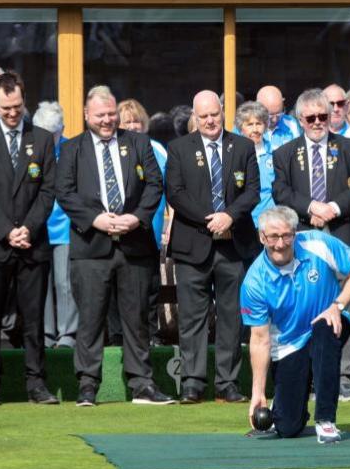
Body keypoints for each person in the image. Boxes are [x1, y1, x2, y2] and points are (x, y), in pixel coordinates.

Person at [57, 85, 174, 406]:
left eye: (111, 114)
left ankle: (142, 385)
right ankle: (87, 386)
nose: (107, 120)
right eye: (100, 115)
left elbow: (154, 184)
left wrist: (137, 218)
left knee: (136, 319)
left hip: (134, 246)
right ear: (86, 115)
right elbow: (64, 191)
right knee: (91, 319)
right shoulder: (72, 149)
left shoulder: (138, 142)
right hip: (91, 247)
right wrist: (95, 220)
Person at [272, 88, 350, 402]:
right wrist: (311, 207)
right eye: (311, 117)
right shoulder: (285, 153)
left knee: (347, 305)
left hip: (343, 235)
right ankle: (309, 377)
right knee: (306, 306)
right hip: (304, 241)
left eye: (323, 116)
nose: (318, 122)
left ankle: (345, 376)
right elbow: (281, 192)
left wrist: (333, 208)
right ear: (300, 119)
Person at [242, 206, 350, 443]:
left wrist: (337, 305)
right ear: (262, 237)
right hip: (289, 344)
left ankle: (325, 420)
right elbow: (260, 340)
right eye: (273, 237)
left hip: (329, 322)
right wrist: (257, 393)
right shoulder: (254, 282)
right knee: (287, 427)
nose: (280, 244)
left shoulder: (319, 244)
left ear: (295, 232)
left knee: (324, 329)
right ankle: (285, 407)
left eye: (286, 236)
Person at [0, 70, 58, 405]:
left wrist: (28, 230)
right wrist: (8, 231)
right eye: (6, 107)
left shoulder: (44, 139)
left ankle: (36, 383)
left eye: (17, 106)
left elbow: (48, 191)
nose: (12, 112)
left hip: (33, 244)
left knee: (33, 319)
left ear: (25, 99)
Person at [165, 90, 260, 404]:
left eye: (214, 114)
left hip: (234, 246)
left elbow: (253, 192)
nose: (209, 121)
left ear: (223, 112)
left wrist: (229, 216)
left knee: (232, 316)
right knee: (192, 317)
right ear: (195, 116)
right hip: (193, 245)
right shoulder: (178, 148)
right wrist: (210, 219)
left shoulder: (243, 146)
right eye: (203, 116)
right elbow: (175, 193)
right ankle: (192, 382)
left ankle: (228, 383)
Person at [117, 98, 167, 344]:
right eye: (128, 121)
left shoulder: (157, 149)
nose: (134, 126)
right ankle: (121, 337)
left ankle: (151, 334)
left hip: (152, 231)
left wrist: (169, 226)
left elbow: (171, 192)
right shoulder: (112, 148)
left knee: (150, 286)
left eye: (137, 121)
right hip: (119, 232)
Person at [32, 101, 78, 349]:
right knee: (42, 283)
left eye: (55, 134)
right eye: (44, 134)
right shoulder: (28, 150)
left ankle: (68, 333)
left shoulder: (73, 149)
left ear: (63, 128)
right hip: (36, 226)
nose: (50, 139)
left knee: (64, 282)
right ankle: (47, 334)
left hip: (66, 227)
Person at [235, 101, 275, 228]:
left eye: (259, 124)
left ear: (266, 126)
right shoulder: (234, 155)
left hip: (271, 221)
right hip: (244, 221)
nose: (255, 129)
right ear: (241, 128)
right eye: (250, 124)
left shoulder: (275, 153)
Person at [255, 85, 301, 151]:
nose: (275, 119)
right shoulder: (244, 126)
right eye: (270, 115)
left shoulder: (291, 123)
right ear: (257, 107)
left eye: (279, 114)